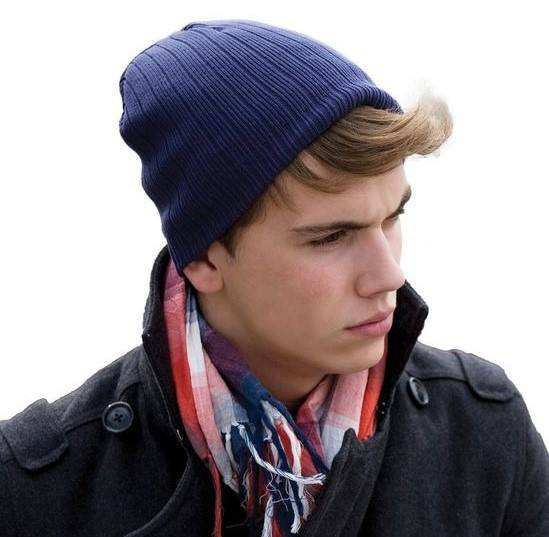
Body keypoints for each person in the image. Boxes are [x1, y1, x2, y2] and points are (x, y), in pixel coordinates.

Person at [0, 19, 547, 537]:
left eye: (392, 217)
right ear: (203, 259)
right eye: (331, 237)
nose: (389, 275)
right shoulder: (36, 494)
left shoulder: (484, 433)